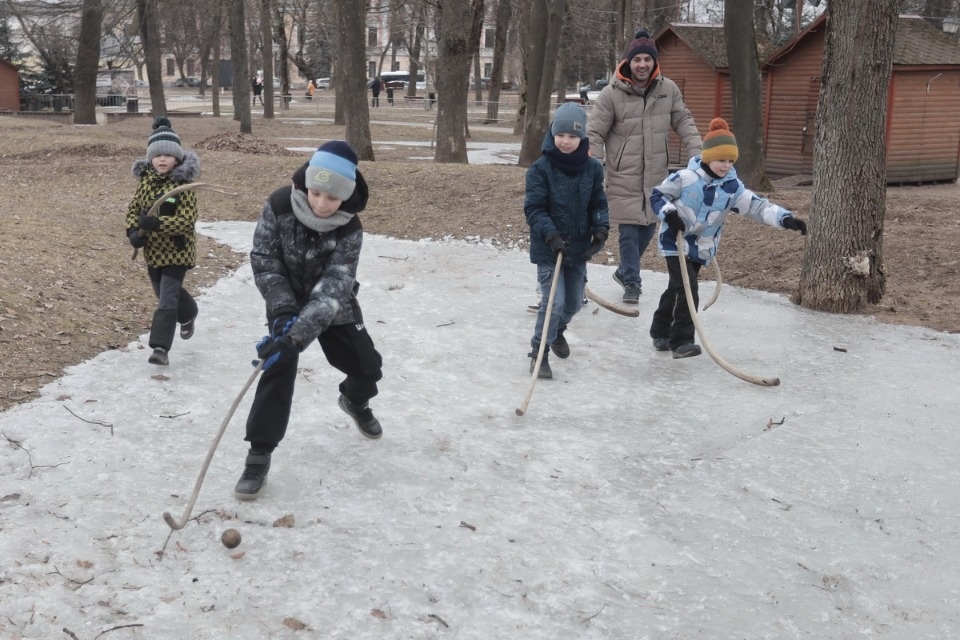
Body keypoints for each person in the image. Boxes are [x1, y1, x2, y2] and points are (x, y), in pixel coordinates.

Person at [235, 141, 384, 501]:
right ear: (305, 183)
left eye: (331, 199)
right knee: (277, 365)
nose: (321, 204)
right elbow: (264, 259)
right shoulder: (279, 205)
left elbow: (335, 286)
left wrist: (298, 335)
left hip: (332, 306)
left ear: (345, 198)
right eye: (316, 192)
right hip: (284, 297)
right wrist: (284, 315)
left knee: (367, 366)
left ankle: (355, 401)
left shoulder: (350, 228)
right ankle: (259, 454)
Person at [648, 117, 808, 358]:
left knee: (677, 287)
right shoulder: (685, 178)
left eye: (730, 160)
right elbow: (658, 196)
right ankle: (681, 341)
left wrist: (786, 219)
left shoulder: (732, 188)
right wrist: (670, 215)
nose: (726, 165)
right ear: (708, 156)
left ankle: (659, 330)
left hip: (701, 248)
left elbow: (757, 207)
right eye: (721, 159)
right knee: (688, 288)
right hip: (676, 242)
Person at [587, 29, 702, 305]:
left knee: (649, 225)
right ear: (629, 62)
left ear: (654, 62)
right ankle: (632, 282)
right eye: (637, 59)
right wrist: (593, 165)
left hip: (656, 173)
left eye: (647, 59)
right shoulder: (611, 94)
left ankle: (624, 270)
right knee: (628, 229)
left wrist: (699, 157)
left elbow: (684, 122)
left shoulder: (668, 90)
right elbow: (594, 133)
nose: (642, 64)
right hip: (622, 172)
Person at [524, 102, 609, 379]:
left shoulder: (593, 169)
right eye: (561, 135)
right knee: (553, 303)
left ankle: (558, 331)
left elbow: (598, 201)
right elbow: (534, 209)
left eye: (572, 136)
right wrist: (551, 235)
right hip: (549, 248)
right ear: (553, 133)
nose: (565, 141)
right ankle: (539, 352)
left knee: (572, 304)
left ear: (582, 138)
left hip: (578, 248)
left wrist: (601, 227)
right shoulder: (541, 168)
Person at [125, 117, 201, 366]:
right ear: (150, 158)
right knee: (164, 293)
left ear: (177, 158)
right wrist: (133, 233)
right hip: (154, 252)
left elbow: (186, 221)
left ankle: (160, 348)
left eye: (168, 155)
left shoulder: (183, 185)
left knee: (167, 299)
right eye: (158, 155)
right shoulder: (145, 183)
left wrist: (157, 224)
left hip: (178, 251)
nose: (162, 160)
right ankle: (189, 313)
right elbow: (133, 211)